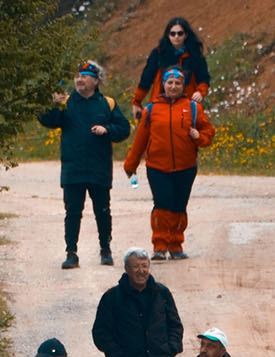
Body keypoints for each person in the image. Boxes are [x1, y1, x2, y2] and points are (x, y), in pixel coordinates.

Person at [37, 61, 132, 269]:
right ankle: (71, 253)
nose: (79, 80)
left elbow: (124, 129)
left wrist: (107, 129)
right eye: (77, 76)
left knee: (103, 210)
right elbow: (47, 120)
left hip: (99, 167)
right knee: (72, 212)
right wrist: (54, 104)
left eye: (85, 76)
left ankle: (105, 250)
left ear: (96, 80)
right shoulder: (67, 101)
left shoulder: (107, 103)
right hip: (73, 168)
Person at [122, 69, 214, 261]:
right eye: (169, 82)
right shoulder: (151, 109)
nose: (173, 86)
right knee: (162, 205)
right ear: (163, 85)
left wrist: (199, 137)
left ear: (183, 86)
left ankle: (176, 245)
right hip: (157, 167)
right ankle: (160, 245)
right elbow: (140, 140)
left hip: (186, 166)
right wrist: (131, 164)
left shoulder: (193, 108)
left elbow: (208, 132)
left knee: (179, 206)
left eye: (177, 83)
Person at [133, 17, 211, 109]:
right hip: (160, 103)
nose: (176, 37)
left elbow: (204, 78)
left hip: (187, 105)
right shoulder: (158, 53)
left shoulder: (195, 54)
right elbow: (146, 79)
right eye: (172, 34)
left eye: (180, 33)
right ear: (168, 35)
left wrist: (200, 92)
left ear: (186, 35)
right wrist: (137, 102)